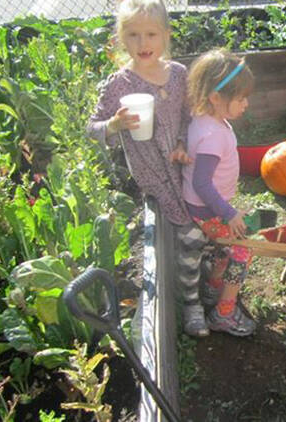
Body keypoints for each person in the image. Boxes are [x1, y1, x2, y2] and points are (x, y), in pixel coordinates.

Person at [86, 0, 209, 337]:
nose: (143, 44)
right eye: (134, 35)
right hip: (152, 174)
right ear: (121, 39)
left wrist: (184, 143)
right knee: (190, 233)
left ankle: (198, 270)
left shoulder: (179, 75)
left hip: (183, 167)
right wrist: (113, 124)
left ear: (166, 35)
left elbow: (188, 117)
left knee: (200, 225)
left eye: (151, 34)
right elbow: (91, 128)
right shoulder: (119, 84)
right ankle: (192, 304)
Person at [180, 49, 257, 337]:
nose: (246, 104)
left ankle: (213, 288)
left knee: (228, 247)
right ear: (215, 98)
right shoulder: (212, 136)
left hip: (205, 208)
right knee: (242, 248)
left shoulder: (203, 120)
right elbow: (202, 183)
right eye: (240, 98)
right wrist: (229, 212)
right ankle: (224, 312)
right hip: (208, 210)